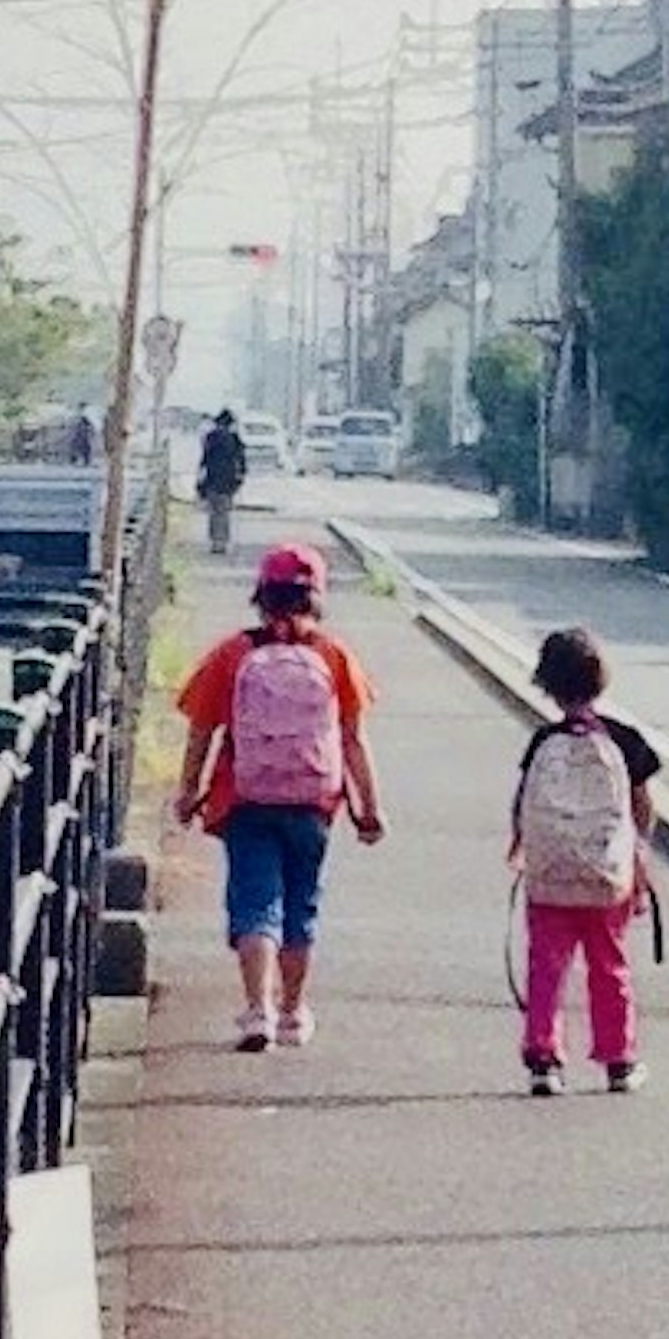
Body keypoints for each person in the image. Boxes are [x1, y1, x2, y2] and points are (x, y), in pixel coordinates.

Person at [170, 541, 384, 1054]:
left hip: (245, 799)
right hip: (313, 801)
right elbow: (352, 738)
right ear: (316, 597)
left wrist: (189, 790)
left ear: (261, 596)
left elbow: (202, 730)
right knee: (300, 904)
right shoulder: (333, 657)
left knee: (254, 901)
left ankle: (256, 1009)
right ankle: (291, 1012)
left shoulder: (232, 653)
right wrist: (368, 807)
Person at [511, 624, 659, 1099]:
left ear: (547, 686)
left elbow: (522, 805)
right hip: (605, 876)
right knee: (609, 965)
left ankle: (544, 1059)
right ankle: (618, 1060)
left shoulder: (542, 741)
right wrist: (636, 855)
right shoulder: (624, 741)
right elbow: (642, 807)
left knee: (547, 965)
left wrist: (523, 848)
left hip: (551, 878)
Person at [193, 405, 249, 558]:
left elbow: (205, 459)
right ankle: (222, 541)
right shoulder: (234, 439)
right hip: (228, 480)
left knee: (214, 512)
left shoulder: (211, 437)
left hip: (212, 478)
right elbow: (241, 460)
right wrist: (241, 476)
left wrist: (200, 478)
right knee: (223, 512)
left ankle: (214, 541)